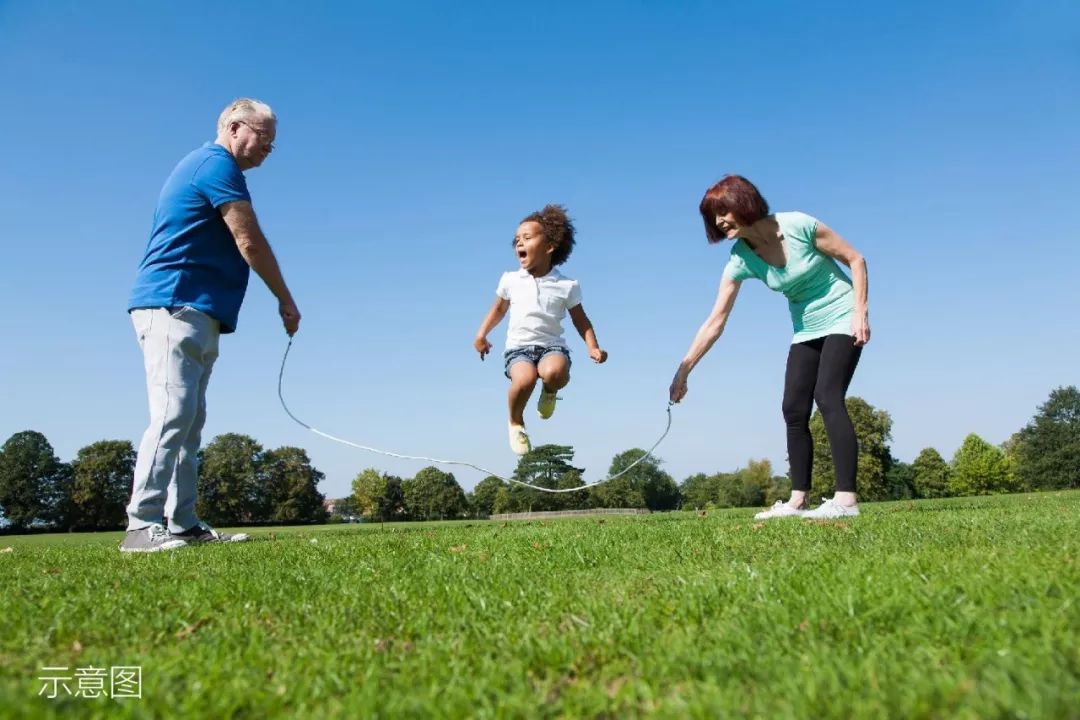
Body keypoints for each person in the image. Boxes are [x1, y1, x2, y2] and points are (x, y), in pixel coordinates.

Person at [121, 98, 301, 552]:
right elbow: (249, 240)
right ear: (236, 127)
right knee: (172, 414)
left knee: (191, 421)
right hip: (173, 302)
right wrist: (285, 299)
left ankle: (183, 523)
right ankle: (141, 526)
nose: (267, 149)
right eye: (264, 138)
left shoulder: (215, 166)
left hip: (199, 309)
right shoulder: (214, 165)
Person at [669, 175, 870, 520]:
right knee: (793, 408)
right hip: (805, 328)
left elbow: (855, 258)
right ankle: (797, 500)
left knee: (827, 396)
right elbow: (716, 320)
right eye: (713, 217)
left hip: (842, 314)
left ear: (743, 202)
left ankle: (846, 500)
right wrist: (685, 368)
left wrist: (860, 312)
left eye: (723, 211)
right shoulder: (740, 258)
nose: (719, 222)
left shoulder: (798, 225)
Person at [474, 204, 608, 455]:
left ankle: (549, 391)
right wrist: (482, 335)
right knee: (524, 380)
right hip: (519, 349)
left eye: (527, 238)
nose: (519, 244)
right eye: (516, 240)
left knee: (555, 372)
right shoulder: (510, 280)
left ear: (549, 246)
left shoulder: (566, 285)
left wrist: (593, 347)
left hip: (552, 347)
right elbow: (498, 310)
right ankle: (515, 422)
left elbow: (581, 320)